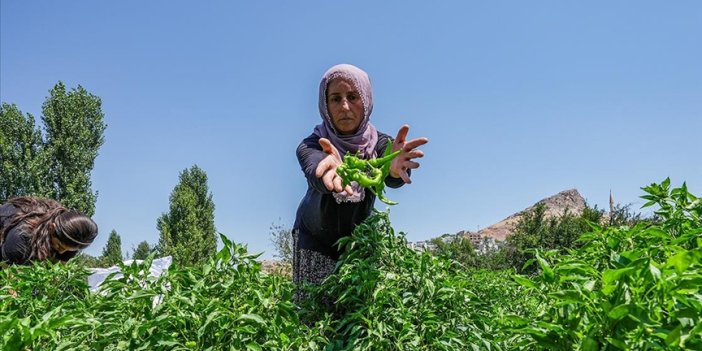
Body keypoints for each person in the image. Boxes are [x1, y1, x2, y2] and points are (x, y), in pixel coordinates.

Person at [293, 64, 428, 294]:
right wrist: (326, 171)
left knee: (358, 313)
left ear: (365, 100)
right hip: (314, 240)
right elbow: (314, 168)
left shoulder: (380, 143)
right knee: (313, 315)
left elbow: (391, 171)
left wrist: (393, 170)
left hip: (359, 241)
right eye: (335, 98)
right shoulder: (312, 144)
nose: (344, 106)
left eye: (353, 96)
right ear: (325, 105)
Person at [0, 196, 98, 265]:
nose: (62, 252)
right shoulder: (23, 235)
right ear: (52, 228)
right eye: (59, 246)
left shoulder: (71, 240)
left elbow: (56, 273)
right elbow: (10, 278)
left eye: (68, 250)